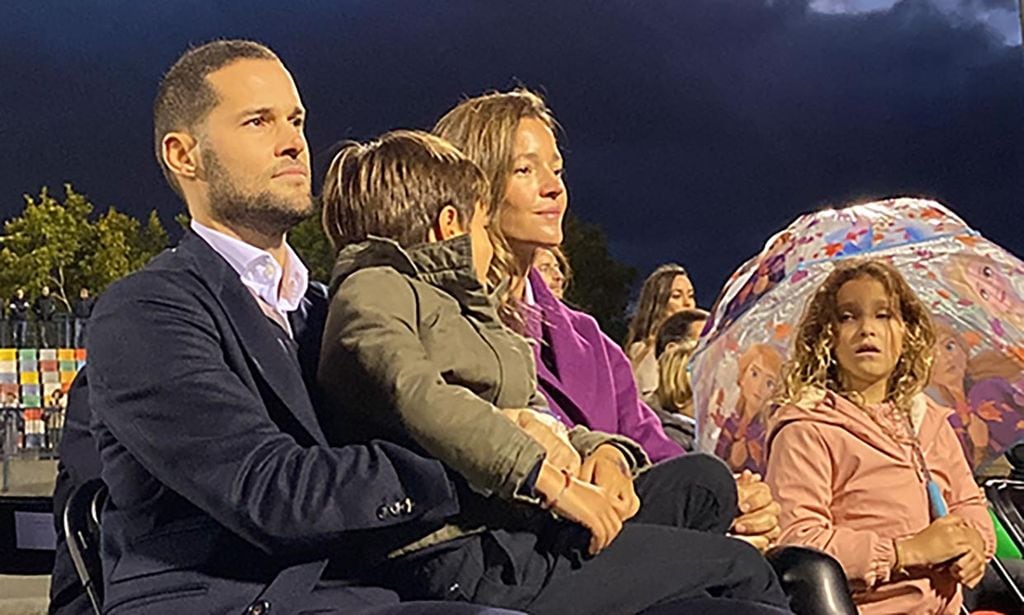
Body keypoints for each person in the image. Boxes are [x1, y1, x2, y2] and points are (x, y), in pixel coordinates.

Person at [80, 39, 520, 615]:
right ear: (184, 156)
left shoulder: (327, 308)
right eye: (259, 122)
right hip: (232, 599)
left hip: (375, 584)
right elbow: (271, 493)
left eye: (297, 121)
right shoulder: (144, 312)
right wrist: (484, 457)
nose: (293, 141)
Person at [317, 129, 789, 614]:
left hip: (518, 527)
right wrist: (552, 482)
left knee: (703, 483)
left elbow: (534, 418)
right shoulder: (373, 289)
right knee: (739, 567)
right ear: (450, 226)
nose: (489, 242)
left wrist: (604, 453)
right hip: (467, 553)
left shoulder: (465, 310)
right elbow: (418, 396)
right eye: (484, 227)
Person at [433, 89, 780, 548]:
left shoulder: (590, 340)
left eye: (556, 169)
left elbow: (662, 455)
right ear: (473, 186)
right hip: (533, 553)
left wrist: (737, 503)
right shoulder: (444, 327)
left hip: (640, 546)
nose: (553, 187)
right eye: (524, 169)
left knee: (794, 563)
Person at [766, 259, 995, 613]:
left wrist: (976, 543)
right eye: (847, 316)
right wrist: (906, 551)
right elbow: (798, 544)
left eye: (883, 315)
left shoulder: (928, 421)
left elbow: (969, 502)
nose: (866, 330)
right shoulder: (806, 428)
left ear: (907, 333)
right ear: (825, 336)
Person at [624, 264, 696, 397]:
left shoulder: (701, 348)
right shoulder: (644, 352)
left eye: (691, 295)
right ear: (658, 304)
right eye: (676, 296)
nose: (687, 303)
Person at [714, 344, 784, 474]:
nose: (759, 386)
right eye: (754, 374)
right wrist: (732, 462)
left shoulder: (769, 430)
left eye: (769, 383)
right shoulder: (730, 423)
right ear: (742, 377)